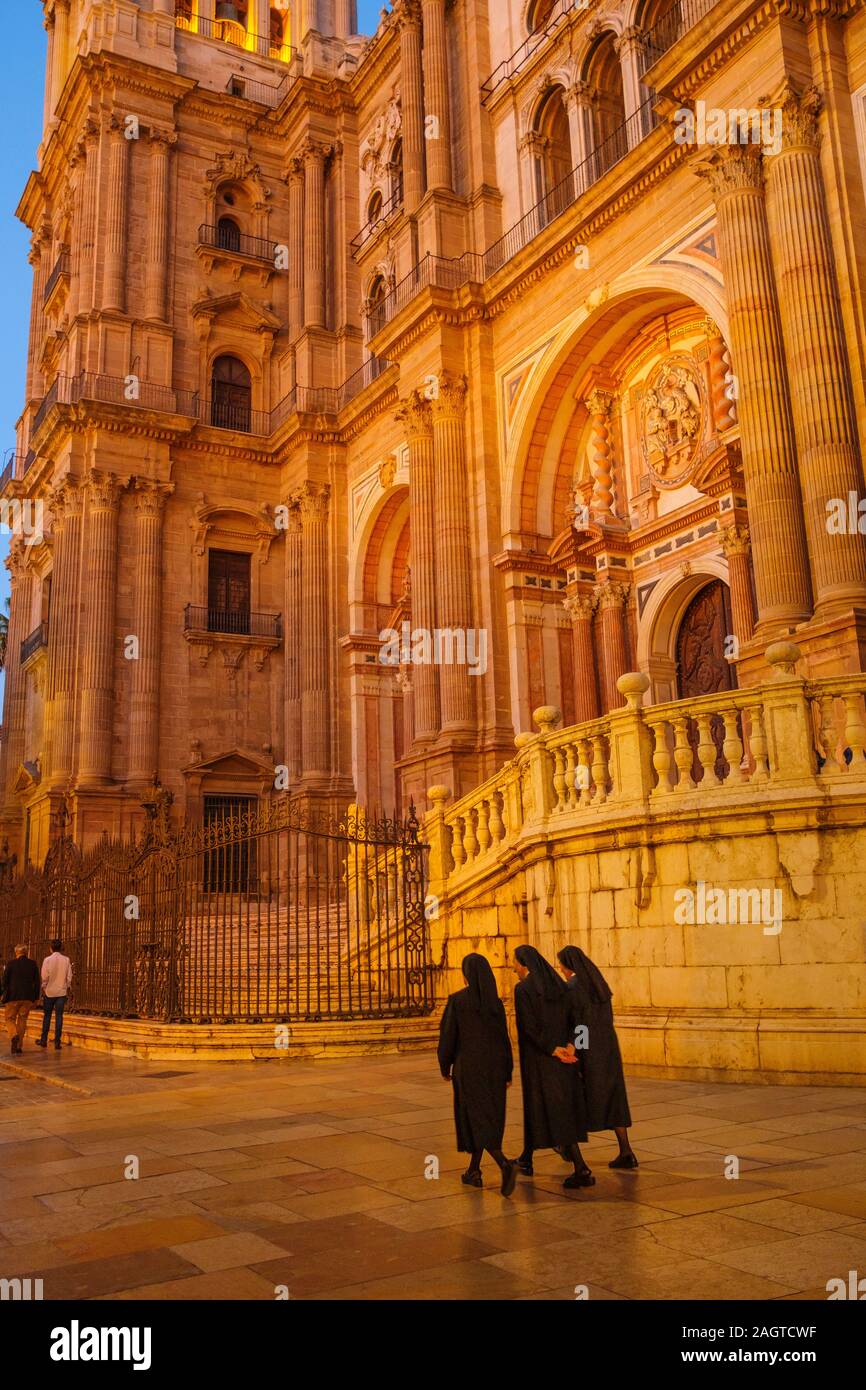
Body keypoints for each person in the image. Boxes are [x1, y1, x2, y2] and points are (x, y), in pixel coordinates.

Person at [513, 944, 594, 1189]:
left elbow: (527, 1028)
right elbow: (579, 1020)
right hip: (564, 1060)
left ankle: (581, 1168)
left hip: (540, 1062)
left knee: (556, 1114)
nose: (513, 967)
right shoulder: (561, 985)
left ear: (524, 964)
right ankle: (526, 1158)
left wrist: (551, 1049)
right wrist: (572, 1046)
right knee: (548, 1110)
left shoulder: (523, 989)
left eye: (514, 963)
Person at [438, 953, 518, 1196]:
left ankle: (505, 1164)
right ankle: (473, 1170)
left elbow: (448, 1038)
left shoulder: (458, 1001)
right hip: (494, 1069)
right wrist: (508, 1071)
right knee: (486, 1117)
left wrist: (445, 1065)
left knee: (475, 1119)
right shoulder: (494, 1003)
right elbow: (504, 1040)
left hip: (469, 1069)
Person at [558, 945, 638, 1169]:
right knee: (614, 1099)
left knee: (577, 1099)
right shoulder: (598, 983)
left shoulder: (573, 987)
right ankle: (626, 1151)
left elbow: (581, 1023)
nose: (561, 970)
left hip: (590, 1051)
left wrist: (576, 1048)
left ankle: (567, 1148)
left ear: (567, 965)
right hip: (609, 1048)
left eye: (562, 965)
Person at [1, 945, 41, 1055]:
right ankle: (19, 1046)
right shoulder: (33, 964)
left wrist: (3, 993)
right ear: (26, 952)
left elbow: (4, 981)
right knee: (22, 1020)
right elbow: (37, 982)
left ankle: (14, 1035)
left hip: (12, 997)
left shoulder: (11, 964)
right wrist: (36, 998)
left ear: (16, 953)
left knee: (9, 1019)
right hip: (27, 997)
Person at [37, 940, 72, 1051]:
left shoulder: (47, 960)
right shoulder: (66, 960)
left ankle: (43, 1040)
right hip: (61, 992)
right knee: (59, 1017)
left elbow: (44, 976)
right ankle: (57, 1042)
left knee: (47, 1016)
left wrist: (44, 986)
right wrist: (66, 986)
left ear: (51, 948)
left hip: (49, 992)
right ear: (61, 948)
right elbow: (69, 976)